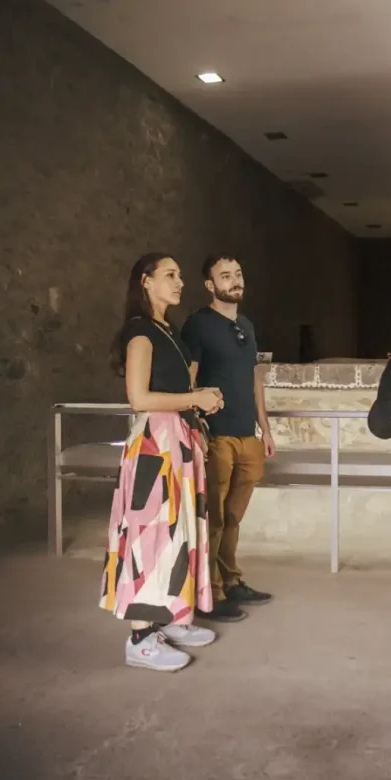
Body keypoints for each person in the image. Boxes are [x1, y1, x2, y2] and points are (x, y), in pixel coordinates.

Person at [101, 253, 223, 671]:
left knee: (178, 532)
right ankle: (140, 637)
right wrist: (194, 398)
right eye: (170, 275)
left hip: (177, 441)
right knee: (150, 536)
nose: (180, 282)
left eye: (180, 274)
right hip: (155, 445)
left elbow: (173, 390)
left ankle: (169, 616)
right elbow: (139, 399)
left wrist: (198, 407)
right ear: (145, 283)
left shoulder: (166, 330)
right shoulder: (140, 333)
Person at [182, 254, 275, 620]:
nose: (234, 281)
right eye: (225, 276)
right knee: (215, 518)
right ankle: (211, 593)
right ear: (210, 285)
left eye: (238, 274)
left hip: (246, 436)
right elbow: (188, 380)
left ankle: (231, 580)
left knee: (233, 517)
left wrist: (265, 429)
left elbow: (255, 381)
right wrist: (195, 429)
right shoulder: (198, 325)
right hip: (216, 436)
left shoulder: (247, 325)